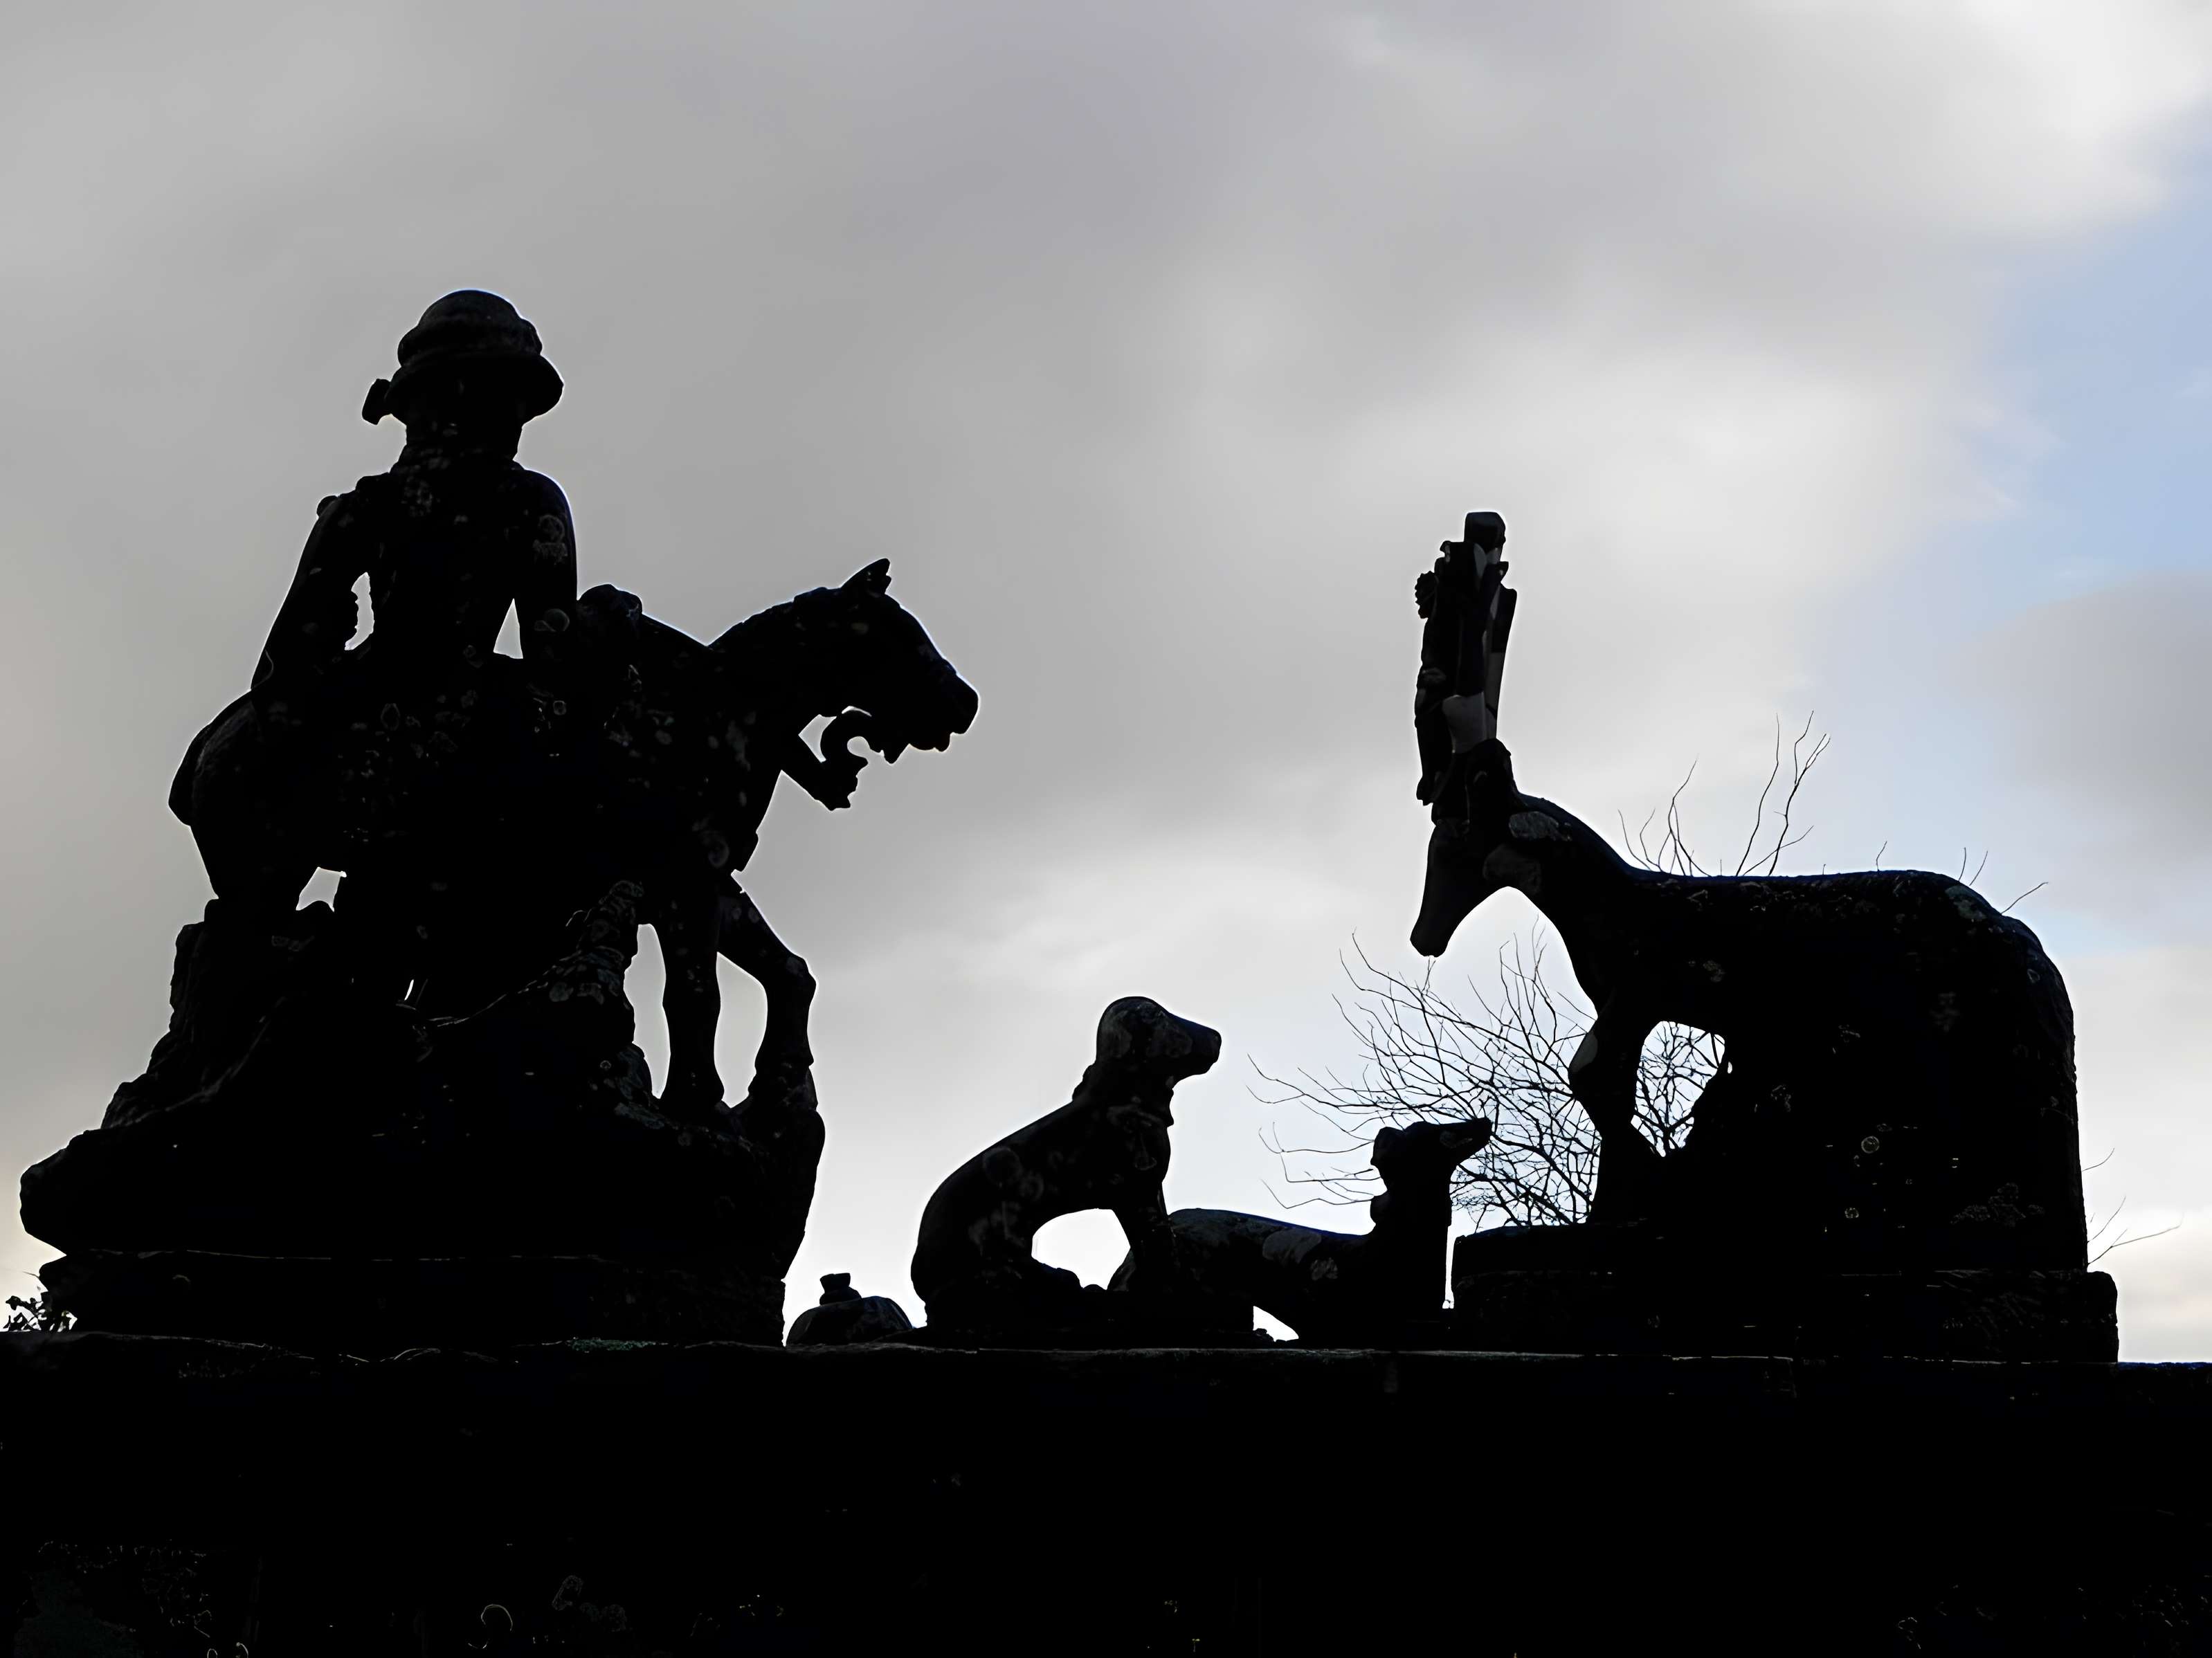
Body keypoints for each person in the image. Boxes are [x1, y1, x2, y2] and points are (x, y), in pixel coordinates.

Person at [251, 290, 582, 1008]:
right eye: (508, 400)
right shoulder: (530, 502)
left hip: (372, 717)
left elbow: (287, 663)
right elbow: (555, 658)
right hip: (461, 729)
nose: (516, 422)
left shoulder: (363, 507)